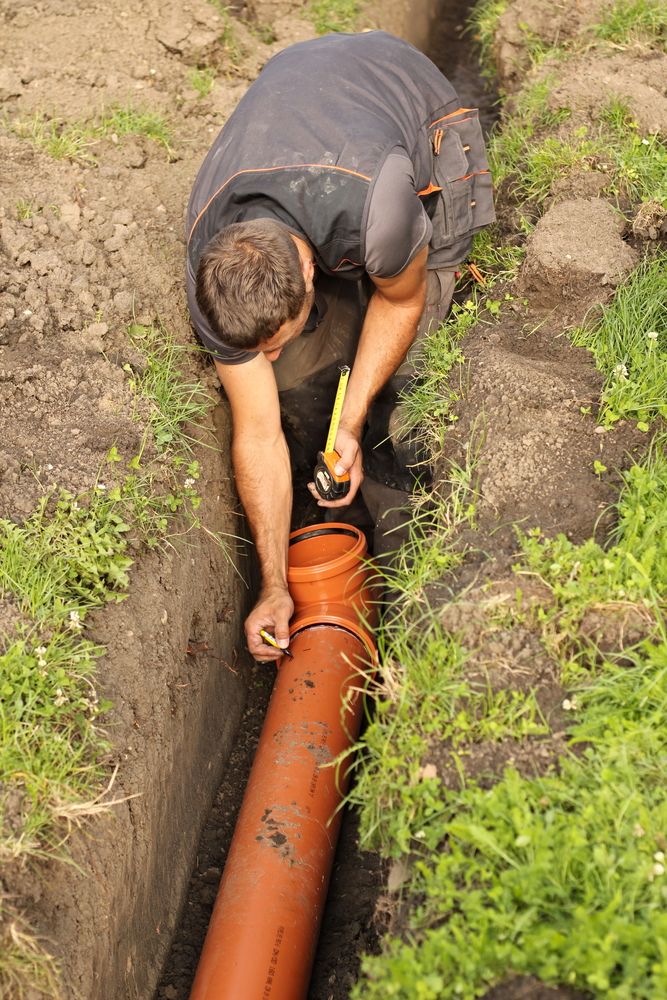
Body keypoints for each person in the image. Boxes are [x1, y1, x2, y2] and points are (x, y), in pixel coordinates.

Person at [185, 30, 495, 662]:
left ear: (308, 276)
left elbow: (401, 300)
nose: (263, 363)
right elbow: (257, 433)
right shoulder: (213, 270)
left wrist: (353, 421)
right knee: (302, 380)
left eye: (272, 344)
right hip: (302, 113)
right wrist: (273, 586)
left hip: (407, 109)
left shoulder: (378, 211)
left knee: (413, 364)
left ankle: (406, 549)